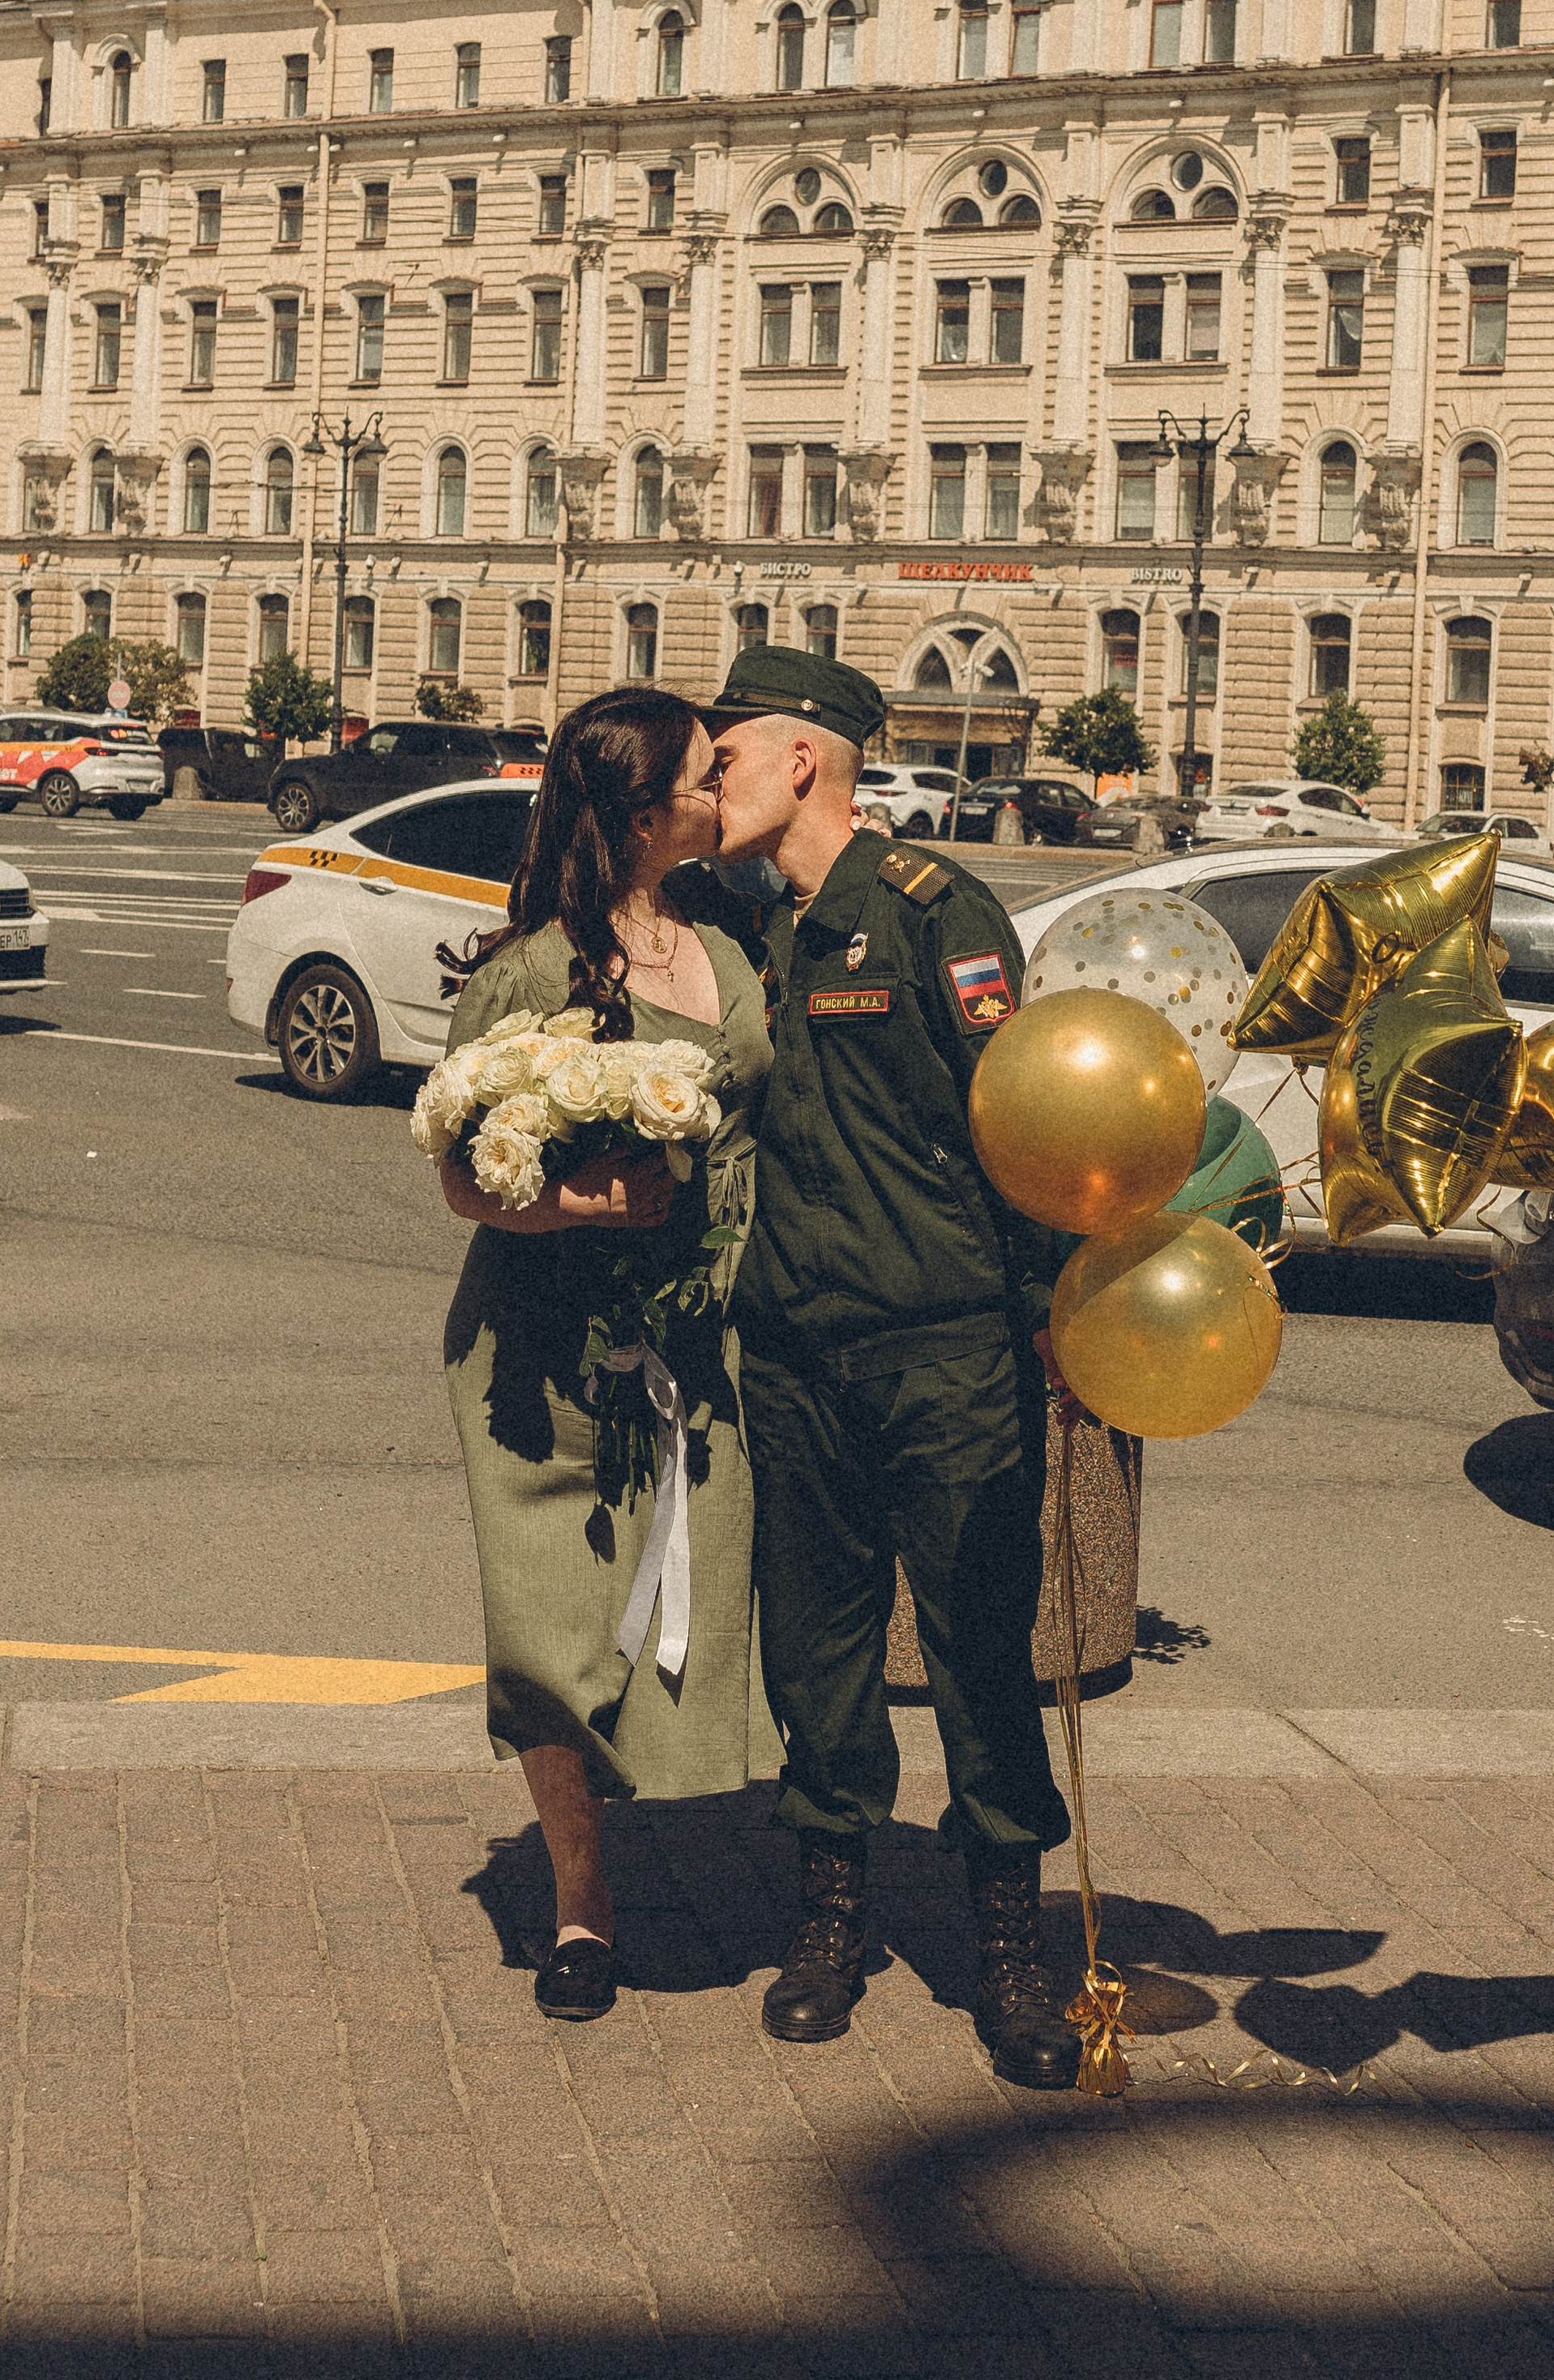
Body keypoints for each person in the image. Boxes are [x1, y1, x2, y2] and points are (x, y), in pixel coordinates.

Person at [705, 644, 1079, 2091]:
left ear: (801, 760)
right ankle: (833, 1925)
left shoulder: (935, 913)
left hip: (945, 1354)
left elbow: (1031, 1128)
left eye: (727, 754)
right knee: (817, 1650)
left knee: (983, 1650)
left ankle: (1008, 1951)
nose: (710, 779)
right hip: (794, 1349)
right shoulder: (750, 924)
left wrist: (1053, 1318)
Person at [439, 687, 773, 2023]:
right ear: (646, 815)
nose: (723, 794)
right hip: (543, 1355)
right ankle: (582, 1907)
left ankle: (692, 1829)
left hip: (702, 1339)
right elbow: (461, 1171)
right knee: (545, 1634)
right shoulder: (529, 972)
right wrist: (578, 1204)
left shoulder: (733, 937)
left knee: (682, 1614)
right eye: (706, 777)